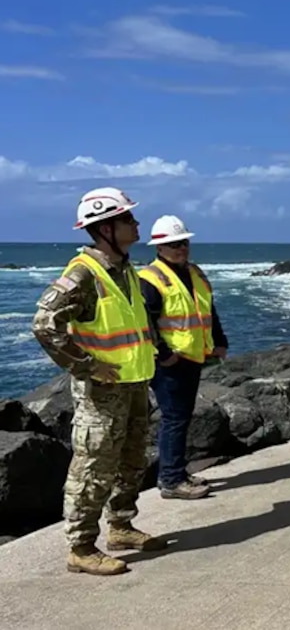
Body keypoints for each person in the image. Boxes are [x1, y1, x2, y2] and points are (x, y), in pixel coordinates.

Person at [31, 187, 165, 576]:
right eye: (127, 219)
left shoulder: (123, 269)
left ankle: (121, 527)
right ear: (106, 228)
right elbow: (44, 324)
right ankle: (81, 547)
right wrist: (87, 366)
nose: (136, 224)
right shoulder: (83, 274)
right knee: (93, 467)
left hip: (135, 382)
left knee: (131, 460)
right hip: (102, 390)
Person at [138, 215, 228, 500]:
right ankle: (171, 479)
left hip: (192, 356)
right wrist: (164, 355)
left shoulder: (195, 273)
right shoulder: (150, 279)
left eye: (184, 243)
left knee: (182, 417)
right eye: (175, 244)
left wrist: (220, 340)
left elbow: (208, 310)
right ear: (159, 247)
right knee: (174, 418)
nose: (181, 248)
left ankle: (177, 470)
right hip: (171, 362)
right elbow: (146, 323)